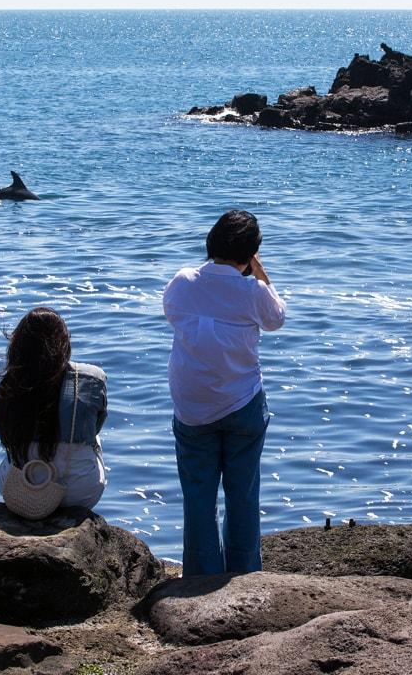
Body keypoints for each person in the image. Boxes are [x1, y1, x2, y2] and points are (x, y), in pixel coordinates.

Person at [163, 209, 286, 575]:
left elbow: (174, 315)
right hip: (242, 402)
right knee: (243, 495)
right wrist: (259, 271)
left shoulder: (182, 282)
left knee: (198, 498)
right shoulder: (254, 291)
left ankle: (200, 579)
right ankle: (245, 577)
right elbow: (277, 318)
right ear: (250, 255)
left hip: (192, 406)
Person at [0, 307, 108, 510]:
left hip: (20, 487)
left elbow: (6, 438)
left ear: (18, 345)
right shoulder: (92, 377)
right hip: (79, 490)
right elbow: (95, 428)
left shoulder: (10, 383)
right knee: (92, 438)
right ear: (63, 342)